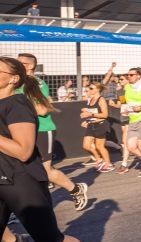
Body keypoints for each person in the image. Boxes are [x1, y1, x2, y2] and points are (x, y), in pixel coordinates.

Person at [0, 56, 110, 242]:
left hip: (22, 180)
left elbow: (23, 151)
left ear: (13, 79)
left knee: (49, 240)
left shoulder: (17, 104)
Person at [16, 54, 89, 209]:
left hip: (42, 130)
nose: (16, 64)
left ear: (30, 66)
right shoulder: (17, 82)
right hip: (23, 131)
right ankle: (20, 209)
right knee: (21, 171)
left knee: (46, 170)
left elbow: (42, 110)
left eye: (20, 62)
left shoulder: (36, 83)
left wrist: (16, 109)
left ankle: (76, 189)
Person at [79, 81, 112, 171]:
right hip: (92, 124)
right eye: (89, 88)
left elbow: (105, 115)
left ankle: (108, 164)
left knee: (99, 147)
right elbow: (92, 112)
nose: (89, 90)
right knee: (86, 145)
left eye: (91, 88)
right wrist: (86, 119)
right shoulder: (91, 99)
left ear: (98, 89)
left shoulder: (101, 100)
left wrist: (90, 114)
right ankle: (99, 159)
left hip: (100, 125)